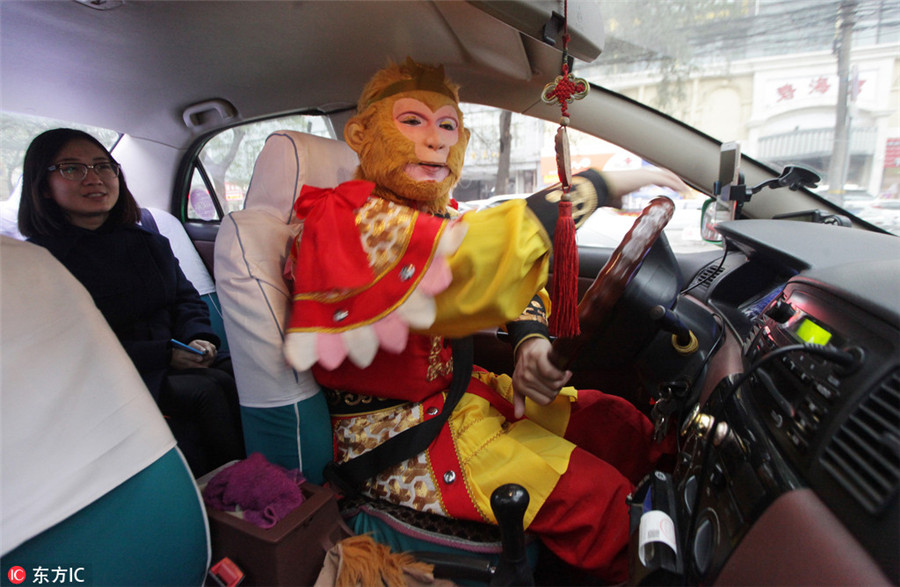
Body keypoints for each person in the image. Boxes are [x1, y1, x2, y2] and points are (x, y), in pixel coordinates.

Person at [281, 59, 688, 581]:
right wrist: (595, 187)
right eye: (412, 121)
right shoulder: (345, 221)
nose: (436, 142)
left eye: (447, 125)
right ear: (363, 134)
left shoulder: (431, 215)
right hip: (394, 437)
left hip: (459, 399)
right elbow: (474, 259)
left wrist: (529, 345)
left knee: (616, 422)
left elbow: (512, 285)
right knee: (602, 503)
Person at [18, 128, 244, 477]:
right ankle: (224, 496)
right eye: (72, 168)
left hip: (177, 354)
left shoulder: (147, 240)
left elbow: (186, 299)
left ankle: (274, 479)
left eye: (103, 166)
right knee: (206, 391)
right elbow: (71, 346)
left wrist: (201, 338)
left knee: (241, 371)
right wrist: (166, 355)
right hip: (112, 375)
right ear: (43, 186)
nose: (94, 178)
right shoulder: (38, 262)